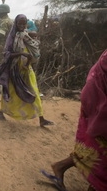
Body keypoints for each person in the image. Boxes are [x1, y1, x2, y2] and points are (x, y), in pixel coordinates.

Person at [41, 50, 107, 191]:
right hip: (97, 104)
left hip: (97, 103)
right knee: (99, 150)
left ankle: (61, 166)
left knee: (95, 148)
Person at [0, 14, 53, 127]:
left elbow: (33, 48)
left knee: (34, 92)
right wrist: (21, 53)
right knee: (11, 93)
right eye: (19, 23)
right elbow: (6, 54)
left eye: (24, 23)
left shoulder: (25, 35)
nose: (21, 25)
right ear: (15, 23)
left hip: (27, 69)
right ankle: (1, 112)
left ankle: (42, 119)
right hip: (14, 71)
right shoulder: (12, 37)